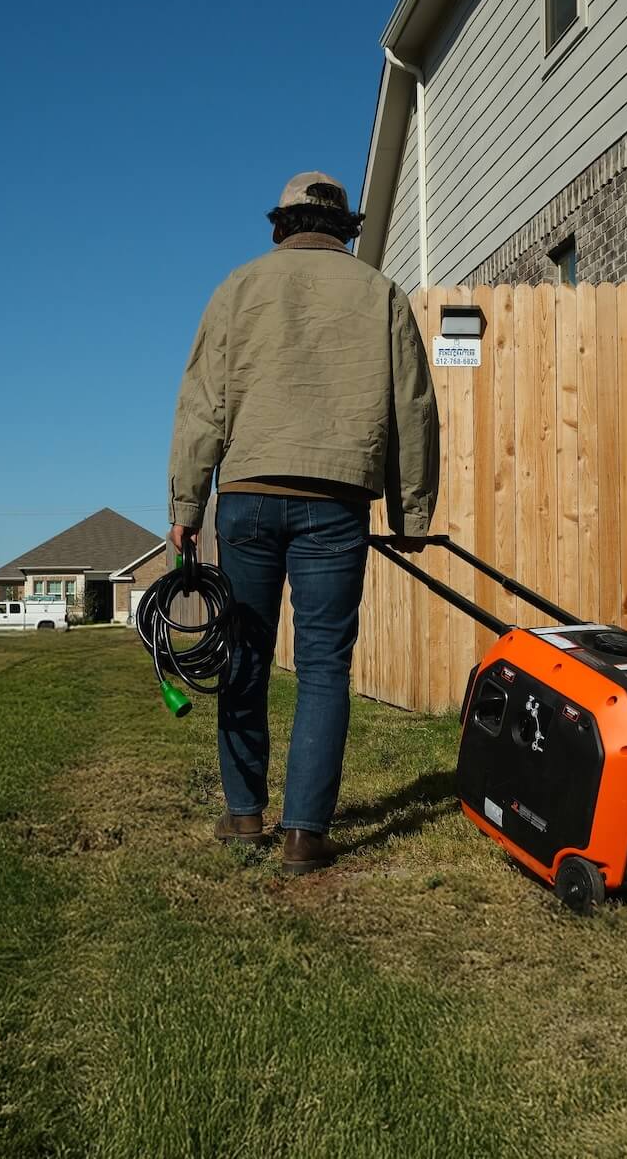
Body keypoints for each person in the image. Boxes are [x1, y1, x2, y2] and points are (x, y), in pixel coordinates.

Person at [165, 171, 440, 875]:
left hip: (250, 494)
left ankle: (246, 812)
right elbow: (413, 408)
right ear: (345, 231)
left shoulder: (237, 288)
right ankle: (304, 833)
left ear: (279, 226)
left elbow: (201, 405)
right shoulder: (379, 292)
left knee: (244, 653)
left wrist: (186, 509)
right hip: (337, 500)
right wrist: (410, 511)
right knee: (323, 666)